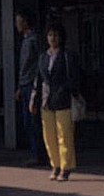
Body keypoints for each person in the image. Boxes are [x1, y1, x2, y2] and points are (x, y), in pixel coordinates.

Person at [30, 23, 81, 181]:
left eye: (56, 35)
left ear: (61, 38)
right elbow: (38, 79)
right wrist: (33, 98)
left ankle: (66, 167)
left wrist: (67, 90)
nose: (53, 38)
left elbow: (74, 77)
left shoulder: (67, 56)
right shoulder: (43, 57)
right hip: (46, 100)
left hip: (63, 99)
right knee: (49, 136)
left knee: (64, 135)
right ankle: (55, 165)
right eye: (50, 35)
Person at [15, 10, 48, 167]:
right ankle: (36, 153)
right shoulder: (25, 40)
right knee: (28, 121)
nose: (16, 25)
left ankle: (39, 154)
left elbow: (38, 65)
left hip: (33, 85)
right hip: (25, 84)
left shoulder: (34, 40)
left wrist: (36, 85)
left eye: (18, 21)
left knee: (33, 121)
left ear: (25, 23)